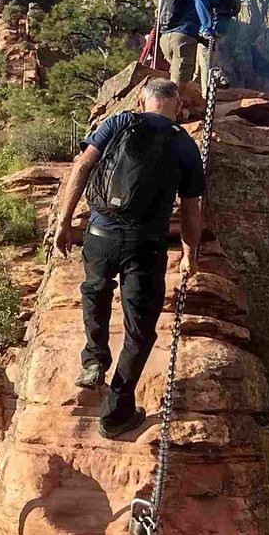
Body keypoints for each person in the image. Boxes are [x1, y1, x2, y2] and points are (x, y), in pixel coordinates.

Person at [49, 77, 205, 437]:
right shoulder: (184, 144)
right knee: (139, 329)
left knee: (95, 290)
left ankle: (93, 361)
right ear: (178, 107)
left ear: (141, 100)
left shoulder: (118, 122)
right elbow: (193, 209)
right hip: (145, 246)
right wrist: (189, 255)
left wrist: (64, 221)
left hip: (100, 235)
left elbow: (82, 167)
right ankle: (116, 412)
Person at [158, 0, 221, 89]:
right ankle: (166, 108)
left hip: (165, 38)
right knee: (178, 85)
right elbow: (200, 2)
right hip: (183, 38)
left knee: (175, 77)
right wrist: (206, 27)